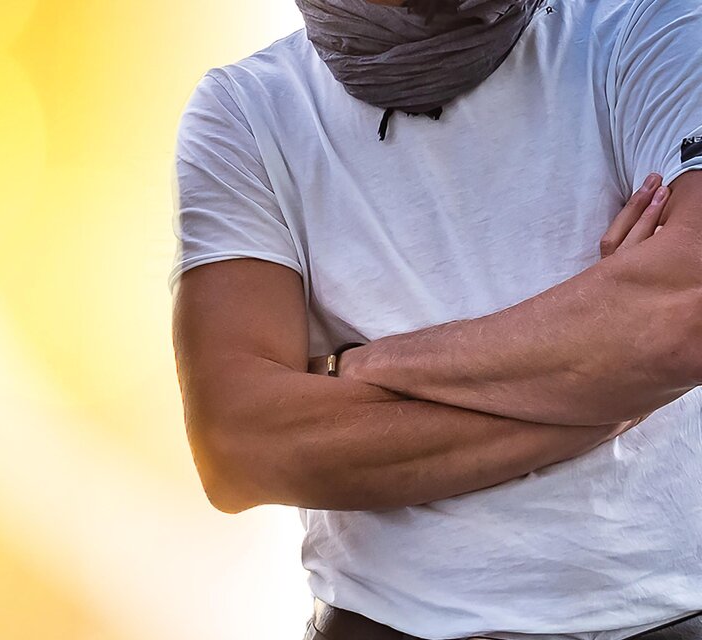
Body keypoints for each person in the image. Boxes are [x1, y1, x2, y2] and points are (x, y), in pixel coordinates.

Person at [168, 0, 702, 637]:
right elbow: (239, 450)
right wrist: (613, 384)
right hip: (384, 624)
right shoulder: (245, 111)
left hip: (667, 614)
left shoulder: (650, 27)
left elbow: (687, 313)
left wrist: (367, 364)